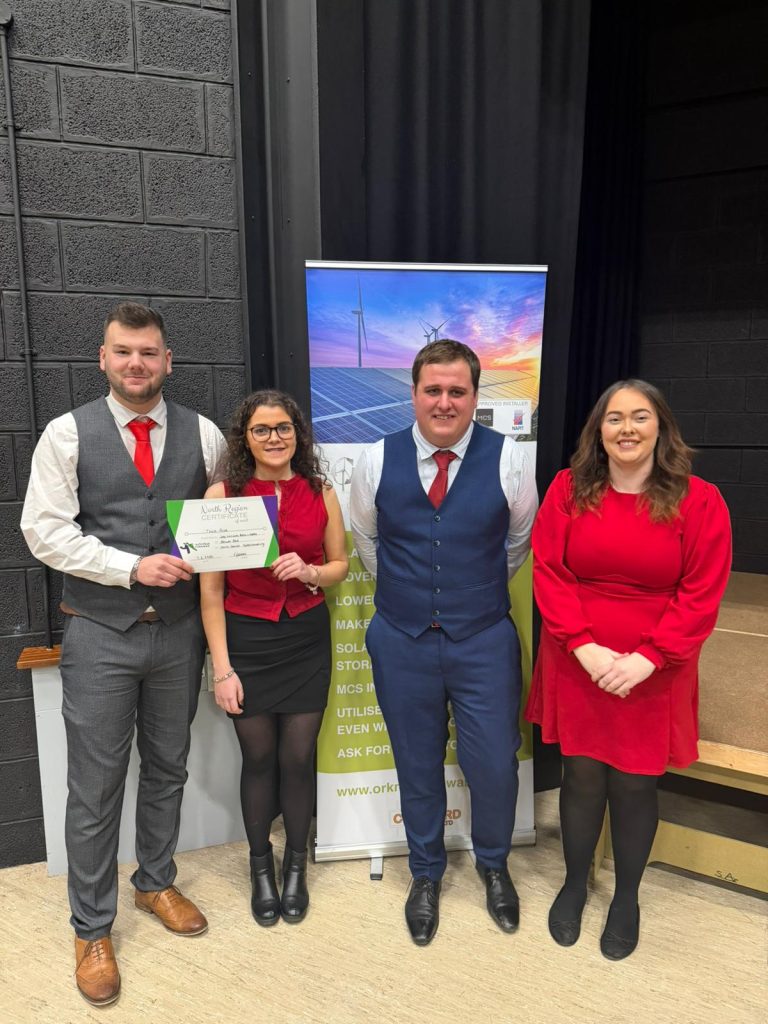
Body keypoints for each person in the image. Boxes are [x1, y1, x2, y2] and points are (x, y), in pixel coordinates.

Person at [20, 302, 227, 1006]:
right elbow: (44, 532)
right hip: (99, 631)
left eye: (148, 352)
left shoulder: (204, 434)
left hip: (179, 633)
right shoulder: (65, 433)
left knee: (169, 764)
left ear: (168, 360)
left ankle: (155, 882)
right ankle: (91, 928)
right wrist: (129, 567)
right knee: (96, 784)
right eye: (123, 352)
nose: (136, 364)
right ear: (103, 359)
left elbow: (224, 514)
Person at [525, 379, 731, 960]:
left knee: (636, 782)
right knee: (581, 776)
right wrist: (583, 646)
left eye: (640, 417)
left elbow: (702, 591)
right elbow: (549, 570)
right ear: (599, 432)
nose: (627, 429)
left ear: (661, 427)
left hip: (655, 664)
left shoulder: (700, 500)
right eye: (614, 419)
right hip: (578, 657)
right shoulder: (568, 490)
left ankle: (627, 897)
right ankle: (574, 883)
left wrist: (648, 658)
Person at [350, 339, 538, 946]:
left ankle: (493, 864)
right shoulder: (375, 459)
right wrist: (413, 594)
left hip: (483, 638)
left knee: (495, 764)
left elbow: (516, 543)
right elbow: (367, 541)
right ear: (413, 394)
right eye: (433, 389)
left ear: (476, 396)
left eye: (457, 391)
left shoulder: (510, 460)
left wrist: (468, 592)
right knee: (416, 761)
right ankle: (426, 872)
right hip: (401, 638)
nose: (444, 402)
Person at [200, 390, 348, 927]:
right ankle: (260, 866)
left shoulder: (320, 491)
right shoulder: (222, 495)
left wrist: (310, 573)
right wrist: (222, 670)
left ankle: (296, 867)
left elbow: (340, 565)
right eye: (261, 429)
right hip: (246, 640)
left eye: (283, 427)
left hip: (306, 638)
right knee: (259, 758)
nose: (274, 438)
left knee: (298, 758)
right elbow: (210, 592)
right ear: (245, 438)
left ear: (297, 433)